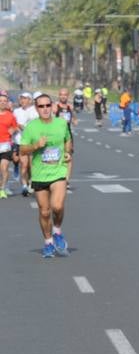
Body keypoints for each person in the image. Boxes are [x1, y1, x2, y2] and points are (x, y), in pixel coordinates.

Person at [19, 93, 74, 259]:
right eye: (41, 106)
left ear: (52, 106)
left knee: (57, 207)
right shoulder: (31, 127)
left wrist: (67, 152)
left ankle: (57, 230)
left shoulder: (61, 123)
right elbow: (22, 149)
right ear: (36, 108)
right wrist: (36, 145)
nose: (45, 109)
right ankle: (48, 242)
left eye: (47, 105)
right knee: (44, 212)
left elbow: (68, 140)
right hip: (39, 175)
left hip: (58, 171)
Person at [13, 92, 37, 195]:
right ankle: (24, 186)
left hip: (32, 143)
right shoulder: (16, 111)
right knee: (24, 164)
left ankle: (30, 182)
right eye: (21, 98)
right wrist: (17, 126)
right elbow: (13, 124)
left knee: (31, 166)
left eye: (25, 98)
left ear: (30, 100)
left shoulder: (34, 111)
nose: (23, 100)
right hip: (20, 141)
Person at [0, 95, 19, 197]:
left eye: (4, 101)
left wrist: (14, 130)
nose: (2, 102)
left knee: (4, 167)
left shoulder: (11, 116)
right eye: (1, 101)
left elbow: (16, 127)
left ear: (7, 103)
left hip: (6, 145)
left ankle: (2, 189)